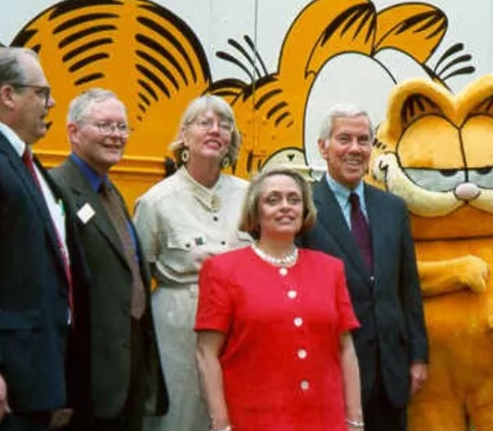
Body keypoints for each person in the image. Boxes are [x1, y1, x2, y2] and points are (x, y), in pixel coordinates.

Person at [194, 167, 363, 431]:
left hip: (324, 419)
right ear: (255, 211)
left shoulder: (331, 269)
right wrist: (221, 424)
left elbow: (346, 349)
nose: (285, 207)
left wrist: (355, 420)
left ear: (304, 209)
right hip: (253, 420)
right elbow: (206, 353)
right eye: (272, 200)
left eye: (294, 200)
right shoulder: (222, 270)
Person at [300, 104, 428, 431]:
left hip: (391, 372)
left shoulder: (393, 208)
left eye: (363, 140)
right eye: (344, 139)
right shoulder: (304, 208)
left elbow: (408, 289)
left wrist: (417, 356)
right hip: (331, 370)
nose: (355, 149)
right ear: (323, 147)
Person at [49, 88, 168, 431]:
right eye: (104, 126)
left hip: (126, 369)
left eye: (121, 127)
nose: (116, 136)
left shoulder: (110, 191)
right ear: (73, 132)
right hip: (85, 377)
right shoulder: (58, 188)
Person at [132, 95, 251, 431]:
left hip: (243, 331)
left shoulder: (250, 195)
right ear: (185, 135)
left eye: (225, 124)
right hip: (179, 331)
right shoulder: (157, 202)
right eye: (204, 122)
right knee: (180, 420)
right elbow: (140, 278)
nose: (215, 130)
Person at [0, 47, 90, 430]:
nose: (51, 104)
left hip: (37, 377)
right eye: (41, 93)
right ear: (8, 96)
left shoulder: (28, 163)